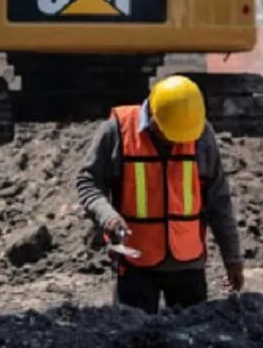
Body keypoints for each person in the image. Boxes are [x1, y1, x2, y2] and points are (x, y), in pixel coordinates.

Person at [75, 75, 245, 314]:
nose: (177, 142)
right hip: (135, 266)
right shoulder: (118, 131)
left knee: (192, 334)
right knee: (133, 333)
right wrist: (108, 217)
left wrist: (232, 257)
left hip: (188, 267)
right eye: (170, 135)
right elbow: (88, 182)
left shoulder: (199, 133)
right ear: (153, 118)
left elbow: (218, 200)